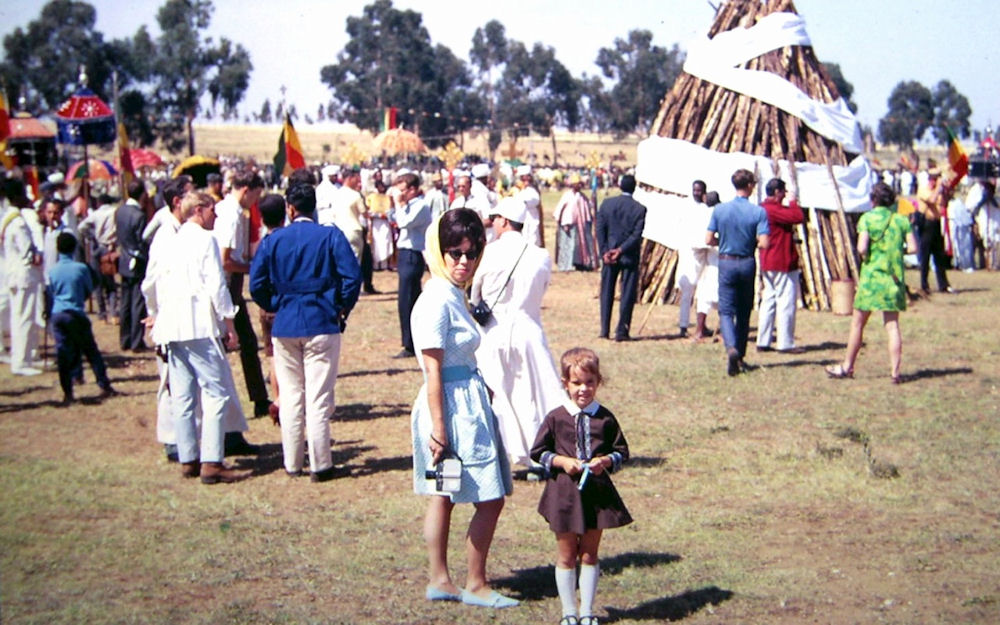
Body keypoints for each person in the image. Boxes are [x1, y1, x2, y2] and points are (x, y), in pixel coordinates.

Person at [410, 208, 517, 609]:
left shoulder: (452, 294)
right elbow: (433, 370)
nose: (464, 262)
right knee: (488, 495)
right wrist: (440, 429)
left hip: (465, 399)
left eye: (472, 254)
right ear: (440, 252)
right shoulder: (436, 300)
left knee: (444, 492)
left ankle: (441, 579)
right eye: (455, 252)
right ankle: (475, 583)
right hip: (451, 409)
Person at [250, 183, 361, 481]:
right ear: (314, 207)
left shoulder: (273, 240)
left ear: (290, 208)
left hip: (286, 323)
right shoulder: (330, 235)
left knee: (290, 395)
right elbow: (352, 277)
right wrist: (341, 307)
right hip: (321, 320)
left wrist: (275, 304)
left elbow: (256, 284)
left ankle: (292, 462)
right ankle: (321, 464)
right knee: (318, 397)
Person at [145, 191, 251, 484]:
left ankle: (188, 457)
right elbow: (216, 285)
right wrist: (229, 322)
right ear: (200, 210)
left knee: (182, 396)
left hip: (172, 326)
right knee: (216, 392)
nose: (215, 216)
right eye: (212, 210)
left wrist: (156, 313)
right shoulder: (205, 240)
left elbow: (153, 283)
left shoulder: (170, 240)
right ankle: (212, 461)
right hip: (198, 325)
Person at [530, 347, 632, 625]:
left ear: (598, 381)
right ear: (565, 383)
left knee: (589, 554)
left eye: (589, 382)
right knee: (566, 555)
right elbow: (538, 452)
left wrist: (605, 461)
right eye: (576, 383)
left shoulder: (605, 418)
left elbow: (622, 452)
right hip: (563, 495)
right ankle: (569, 613)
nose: (583, 389)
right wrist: (562, 461)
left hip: (596, 495)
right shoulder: (556, 417)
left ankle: (586, 611)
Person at [472, 197, 564, 470]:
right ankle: (540, 451)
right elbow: (541, 290)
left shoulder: (489, 253)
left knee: (498, 393)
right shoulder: (540, 255)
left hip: (493, 331)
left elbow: (475, 294)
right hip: (529, 330)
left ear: (503, 221)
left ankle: (506, 451)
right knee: (534, 394)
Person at [826, 183, 917, 383]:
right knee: (892, 326)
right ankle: (895, 372)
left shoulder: (867, 219)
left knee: (858, 324)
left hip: (871, 279)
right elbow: (913, 248)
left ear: (873, 200)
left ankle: (847, 366)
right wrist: (896, 250)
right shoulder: (901, 220)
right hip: (893, 279)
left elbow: (861, 248)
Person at [213, 170, 271, 418]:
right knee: (229, 342)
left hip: (233, 281)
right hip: (227, 282)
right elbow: (225, 260)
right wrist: (252, 269)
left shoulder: (235, 212)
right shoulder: (230, 215)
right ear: (246, 190)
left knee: (247, 341)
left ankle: (259, 398)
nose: (255, 202)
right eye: (255, 196)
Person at [707, 169, 770, 376]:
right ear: (750, 186)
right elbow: (764, 243)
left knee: (726, 311)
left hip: (726, 262)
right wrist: (750, 243)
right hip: (746, 262)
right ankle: (740, 355)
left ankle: (731, 347)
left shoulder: (720, 210)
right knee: (744, 311)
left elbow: (708, 239)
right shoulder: (758, 212)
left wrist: (722, 242)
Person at [46, 232, 116, 404]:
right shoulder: (81, 269)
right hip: (75, 312)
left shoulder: (52, 271)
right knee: (91, 351)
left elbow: (50, 293)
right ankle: (104, 384)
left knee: (63, 354)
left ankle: (68, 392)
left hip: (58, 314)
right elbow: (89, 288)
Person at [756, 178, 806, 353]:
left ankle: (763, 340)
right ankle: (785, 343)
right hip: (781, 260)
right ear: (777, 192)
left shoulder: (762, 208)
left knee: (769, 300)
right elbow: (797, 217)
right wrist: (793, 202)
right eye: (783, 191)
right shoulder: (772, 209)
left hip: (768, 260)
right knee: (786, 302)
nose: (785, 194)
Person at [2, 179, 46, 375]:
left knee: (18, 317)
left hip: (12, 272)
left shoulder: (7, 218)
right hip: (24, 275)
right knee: (24, 318)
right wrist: (38, 256)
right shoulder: (18, 222)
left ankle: (24, 357)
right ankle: (21, 361)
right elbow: (27, 252)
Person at [596, 174, 646, 342]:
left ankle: (604, 330)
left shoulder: (607, 204)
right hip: (629, 256)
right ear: (635, 188)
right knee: (627, 294)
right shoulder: (639, 209)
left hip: (609, 255)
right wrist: (621, 250)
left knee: (606, 292)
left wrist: (605, 251)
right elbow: (636, 235)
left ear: (619, 186)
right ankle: (622, 331)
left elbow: (600, 229)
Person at [392, 172, 432, 359]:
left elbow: (403, 222)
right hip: (405, 254)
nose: (400, 194)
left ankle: (409, 344)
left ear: (413, 189)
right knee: (408, 298)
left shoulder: (421, 206)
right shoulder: (409, 206)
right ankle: (412, 341)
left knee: (407, 300)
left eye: (403, 190)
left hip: (412, 254)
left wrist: (399, 205)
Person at [676, 180, 718, 340]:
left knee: (705, 289)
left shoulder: (708, 210)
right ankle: (683, 325)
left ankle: (702, 325)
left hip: (707, 251)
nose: (696, 193)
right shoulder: (687, 207)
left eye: (699, 191)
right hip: (691, 253)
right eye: (695, 190)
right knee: (687, 289)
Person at [115, 179, 150, 352]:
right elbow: (141, 241)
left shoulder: (120, 211)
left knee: (125, 302)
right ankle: (136, 341)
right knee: (137, 303)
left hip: (124, 259)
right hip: (137, 262)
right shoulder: (139, 215)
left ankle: (125, 338)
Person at [78, 192, 119, 323]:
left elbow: (81, 227)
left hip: (97, 247)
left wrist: (91, 236)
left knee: (98, 283)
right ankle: (113, 313)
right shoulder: (115, 212)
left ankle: (102, 314)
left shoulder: (95, 214)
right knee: (110, 283)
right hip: (109, 248)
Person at [914, 169, 953, 294]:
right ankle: (924, 285)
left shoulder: (939, 191)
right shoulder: (923, 189)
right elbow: (931, 200)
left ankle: (943, 284)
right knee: (925, 256)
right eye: (934, 179)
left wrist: (946, 190)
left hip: (936, 223)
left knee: (939, 255)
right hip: (926, 224)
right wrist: (938, 188)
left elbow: (944, 203)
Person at [554, 174, 597, 271]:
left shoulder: (582, 196)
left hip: (581, 226)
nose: (579, 186)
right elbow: (560, 209)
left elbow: (589, 206)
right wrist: (563, 223)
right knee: (568, 245)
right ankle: (565, 265)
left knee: (580, 246)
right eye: (577, 184)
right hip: (569, 224)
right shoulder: (567, 195)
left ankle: (581, 263)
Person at [515, 165, 543, 247]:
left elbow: (534, 201)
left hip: (531, 224)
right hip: (523, 223)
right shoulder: (523, 190)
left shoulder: (532, 191)